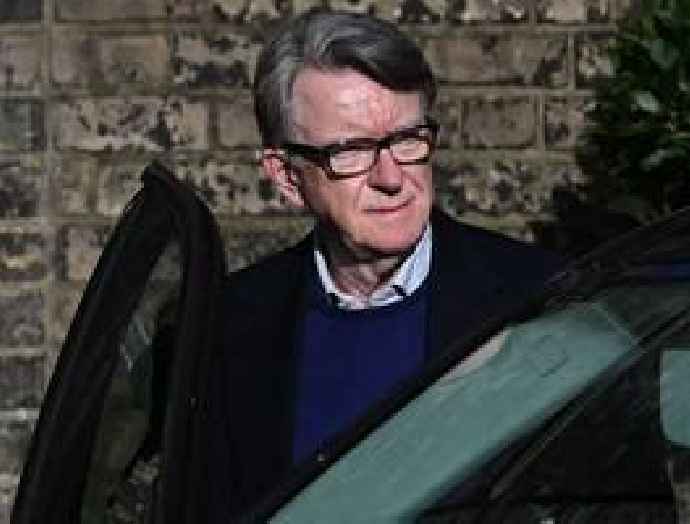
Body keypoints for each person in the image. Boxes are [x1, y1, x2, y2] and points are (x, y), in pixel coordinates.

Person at [206, 9, 563, 519]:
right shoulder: (229, 323)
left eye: (407, 139)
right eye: (352, 151)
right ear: (287, 177)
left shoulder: (539, 299)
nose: (392, 178)